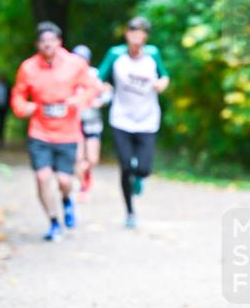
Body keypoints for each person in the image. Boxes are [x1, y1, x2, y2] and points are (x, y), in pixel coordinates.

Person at [12, 21, 100, 241]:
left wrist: (77, 101)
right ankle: (53, 222)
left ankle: (67, 200)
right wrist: (25, 108)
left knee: (64, 181)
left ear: (59, 42)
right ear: (37, 44)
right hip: (39, 131)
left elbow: (93, 87)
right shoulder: (28, 68)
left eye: (52, 40)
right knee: (42, 177)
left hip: (67, 132)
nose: (47, 45)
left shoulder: (75, 64)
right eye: (43, 41)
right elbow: (18, 96)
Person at [98, 16, 169, 229]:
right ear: (126, 34)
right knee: (126, 166)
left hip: (147, 119)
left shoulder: (153, 54)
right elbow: (99, 77)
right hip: (121, 119)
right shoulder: (115, 55)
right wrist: (104, 86)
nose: (137, 37)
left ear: (145, 36)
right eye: (133, 32)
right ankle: (130, 211)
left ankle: (140, 178)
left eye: (141, 33)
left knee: (144, 168)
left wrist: (161, 84)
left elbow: (165, 76)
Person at [71, 45, 112, 199]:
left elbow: (108, 91)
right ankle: (82, 187)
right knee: (78, 158)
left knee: (92, 159)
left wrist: (100, 101)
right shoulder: (67, 75)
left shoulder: (95, 74)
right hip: (74, 121)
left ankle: (85, 175)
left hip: (92, 121)